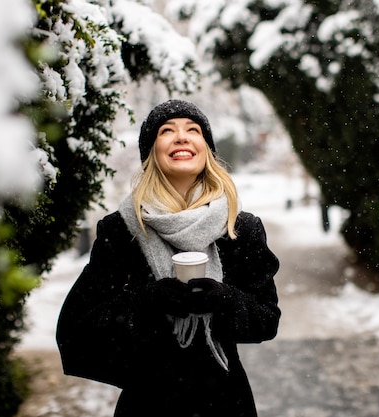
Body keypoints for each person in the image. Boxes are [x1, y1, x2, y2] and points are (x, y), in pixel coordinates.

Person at [56, 99, 281, 417]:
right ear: (151, 152)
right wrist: (148, 301)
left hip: (226, 402)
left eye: (194, 130)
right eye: (167, 130)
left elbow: (266, 321)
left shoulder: (239, 227)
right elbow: (79, 328)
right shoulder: (121, 230)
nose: (182, 136)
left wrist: (223, 299)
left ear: (206, 150)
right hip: (148, 402)